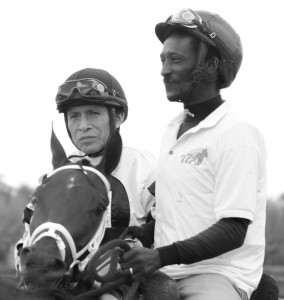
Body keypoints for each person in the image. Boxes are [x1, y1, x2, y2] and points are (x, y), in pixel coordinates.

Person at [119, 8, 267, 300]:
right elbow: (183, 212)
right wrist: (146, 233)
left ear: (211, 66)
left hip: (217, 275)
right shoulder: (172, 131)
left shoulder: (236, 134)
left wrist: (160, 255)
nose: (164, 70)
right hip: (166, 271)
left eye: (176, 59)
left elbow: (233, 229)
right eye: (163, 59)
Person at [14, 68, 157, 299]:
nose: (83, 126)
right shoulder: (55, 177)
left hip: (124, 282)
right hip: (58, 283)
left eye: (92, 114)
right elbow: (26, 237)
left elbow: (170, 229)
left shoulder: (146, 170)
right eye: (74, 116)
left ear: (118, 117)